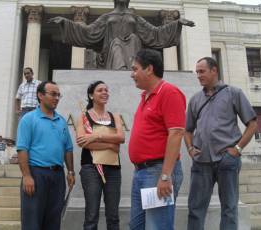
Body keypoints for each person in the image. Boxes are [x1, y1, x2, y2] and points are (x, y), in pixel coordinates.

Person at [185, 57, 258, 230]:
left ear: (214, 70)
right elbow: (187, 130)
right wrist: (190, 148)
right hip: (201, 162)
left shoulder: (234, 93)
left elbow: (253, 124)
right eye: (197, 72)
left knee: (229, 209)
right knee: (195, 209)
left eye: (202, 71)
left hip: (227, 160)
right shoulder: (195, 99)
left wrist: (237, 149)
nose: (198, 75)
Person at [128, 49, 186, 229]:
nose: (132, 74)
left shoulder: (169, 93)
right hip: (141, 172)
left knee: (157, 226)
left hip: (158, 171)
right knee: (136, 226)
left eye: (135, 69)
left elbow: (176, 134)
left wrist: (165, 175)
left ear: (149, 69)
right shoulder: (145, 96)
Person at [48, 0, 194, 70]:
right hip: (112, 51)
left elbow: (154, 33)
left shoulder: (135, 17)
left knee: (134, 38)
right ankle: (123, 70)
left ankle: (133, 67)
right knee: (117, 43)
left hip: (133, 49)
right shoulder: (107, 17)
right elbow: (88, 31)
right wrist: (65, 22)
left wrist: (177, 23)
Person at [16, 80, 75, 230]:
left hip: (58, 176)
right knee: (32, 222)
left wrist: (70, 171)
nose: (56, 98)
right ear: (40, 95)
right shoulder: (28, 119)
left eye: (58, 95)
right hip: (36, 175)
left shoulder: (61, 121)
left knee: (54, 221)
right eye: (53, 94)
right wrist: (27, 176)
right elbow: (22, 149)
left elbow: (68, 148)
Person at [75, 80, 125, 230]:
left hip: (113, 170)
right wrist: (110, 144)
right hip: (91, 168)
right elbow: (83, 142)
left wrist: (96, 137)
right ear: (91, 95)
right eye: (100, 90)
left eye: (106, 90)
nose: (105, 92)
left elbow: (121, 138)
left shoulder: (115, 116)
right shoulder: (83, 117)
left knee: (113, 215)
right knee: (91, 216)